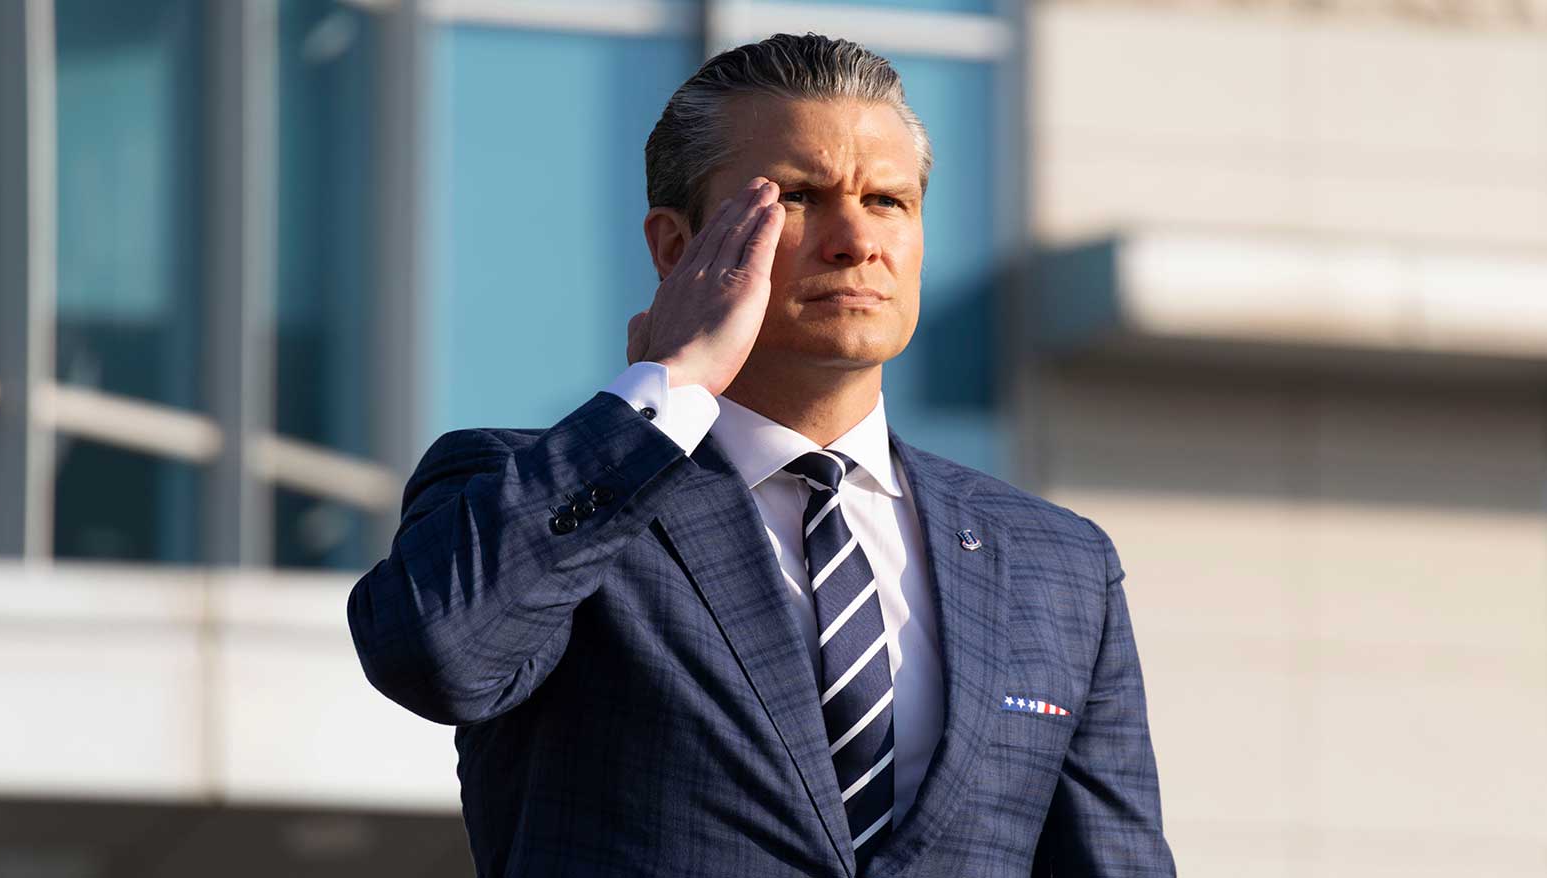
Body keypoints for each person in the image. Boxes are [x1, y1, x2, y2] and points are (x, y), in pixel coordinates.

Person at [348, 33, 1176, 878]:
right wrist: (666, 384)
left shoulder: (1059, 564)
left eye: (888, 201)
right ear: (676, 249)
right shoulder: (534, 486)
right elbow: (437, 659)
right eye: (800, 198)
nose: (856, 239)